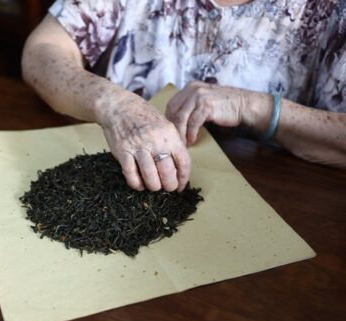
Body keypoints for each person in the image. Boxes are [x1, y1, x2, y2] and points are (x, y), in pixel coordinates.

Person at [22, 0, 346, 192]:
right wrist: (113, 103)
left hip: (272, 201)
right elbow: (41, 52)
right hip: (121, 174)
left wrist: (255, 106)